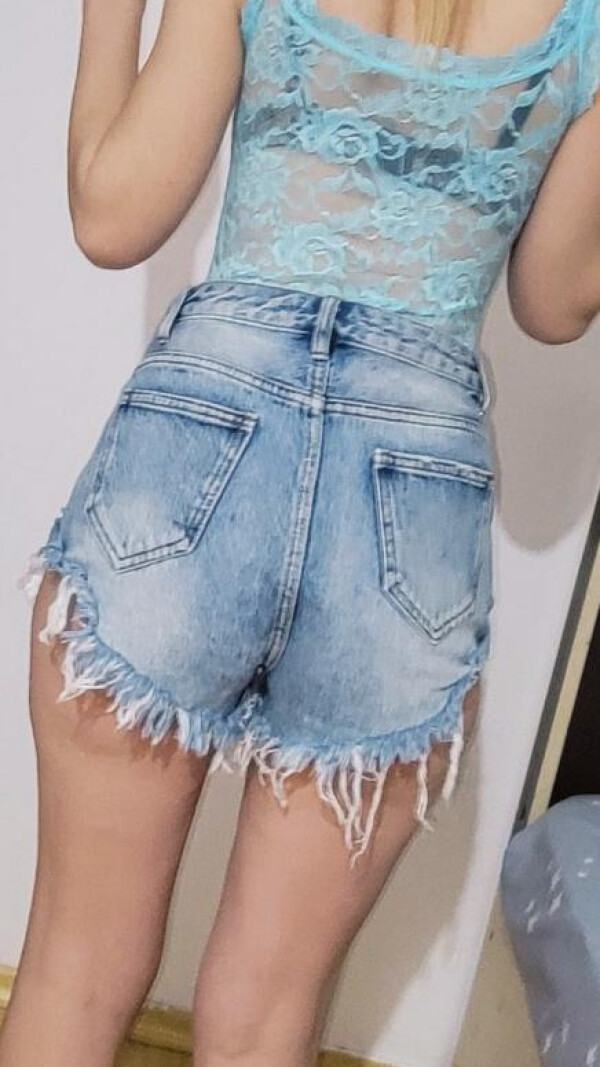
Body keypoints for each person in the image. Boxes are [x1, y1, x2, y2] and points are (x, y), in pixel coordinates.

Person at [2, 1, 599, 1065]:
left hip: (195, 450)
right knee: (266, 1019)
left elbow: (112, 213)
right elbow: (555, 300)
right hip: (413, 507)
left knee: (74, 966)